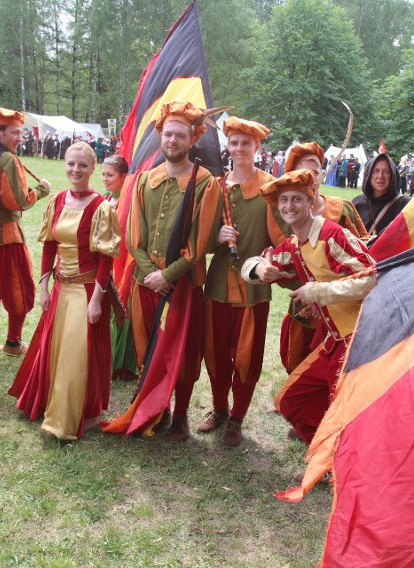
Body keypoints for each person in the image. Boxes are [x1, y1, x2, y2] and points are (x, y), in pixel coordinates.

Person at [241, 169, 376, 475]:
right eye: (284, 200)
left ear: (311, 201)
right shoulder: (294, 245)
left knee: (342, 411)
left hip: (358, 339)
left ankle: (343, 468)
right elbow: (254, 262)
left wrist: (320, 292)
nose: (289, 205)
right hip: (332, 341)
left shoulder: (332, 235)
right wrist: (260, 269)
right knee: (290, 400)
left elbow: (373, 277)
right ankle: (330, 461)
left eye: (297, 199)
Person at [9, 142, 120, 441]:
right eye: (71, 164)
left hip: (86, 292)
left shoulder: (102, 207)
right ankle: (50, 401)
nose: (75, 170)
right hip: (60, 289)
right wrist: (43, 287)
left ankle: (74, 413)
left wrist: (96, 300)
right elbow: (48, 246)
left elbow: (105, 260)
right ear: (65, 164)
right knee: (55, 349)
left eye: (82, 165)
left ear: (93, 168)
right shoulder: (57, 201)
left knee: (77, 354)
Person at [125, 101, 222, 441]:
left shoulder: (207, 183)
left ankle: (180, 413)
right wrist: (151, 272)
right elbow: (133, 234)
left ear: (192, 139)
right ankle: (156, 408)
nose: (173, 140)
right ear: (160, 137)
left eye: (180, 135)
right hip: (146, 282)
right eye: (168, 134)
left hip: (183, 285)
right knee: (147, 345)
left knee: (183, 349)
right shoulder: (142, 180)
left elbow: (201, 240)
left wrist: (168, 275)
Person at [199, 117, 287, 447]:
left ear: (257, 148)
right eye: (234, 143)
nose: (239, 149)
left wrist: (270, 262)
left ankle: (237, 417)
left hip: (253, 290)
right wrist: (215, 237)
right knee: (216, 352)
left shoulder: (269, 189)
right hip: (219, 284)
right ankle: (219, 409)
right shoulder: (216, 187)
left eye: (245, 144)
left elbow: (283, 241)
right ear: (228, 147)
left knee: (247, 358)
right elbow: (200, 241)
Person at [278, 142, 368, 376]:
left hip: (344, 300)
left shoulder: (341, 208)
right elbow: (281, 255)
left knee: (339, 369)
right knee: (299, 357)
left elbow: (362, 252)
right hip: (304, 300)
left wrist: (324, 291)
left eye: (315, 173)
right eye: (302, 173)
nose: (310, 179)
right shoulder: (286, 209)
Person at [0, 105, 51, 356]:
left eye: (19, 133)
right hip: (6, 237)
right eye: (14, 133)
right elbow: (18, 201)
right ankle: (13, 343)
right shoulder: (7, 160)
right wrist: (42, 191)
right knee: (18, 289)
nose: (19, 138)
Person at [101, 154, 138, 382]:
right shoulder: (105, 199)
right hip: (107, 263)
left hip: (124, 261)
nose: (105, 179)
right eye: (103, 174)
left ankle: (123, 363)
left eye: (110, 175)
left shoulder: (130, 202)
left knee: (123, 305)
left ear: (124, 177)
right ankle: (107, 357)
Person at [352, 152, 410, 237]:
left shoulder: (405, 205)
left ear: (393, 175)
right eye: (376, 171)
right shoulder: (356, 203)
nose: (380, 176)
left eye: (386, 172)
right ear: (369, 174)